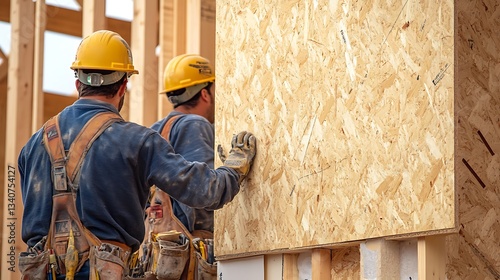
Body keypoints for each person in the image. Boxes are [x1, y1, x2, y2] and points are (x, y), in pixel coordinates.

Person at [17, 30, 256, 280]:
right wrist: (235, 164)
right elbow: (207, 191)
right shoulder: (137, 142)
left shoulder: (32, 146)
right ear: (123, 86)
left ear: (78, 84)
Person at [151, 54, 217, 234]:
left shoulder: (156, 129)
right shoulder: (196, 124)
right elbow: (206, 189)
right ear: (205, 94)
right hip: (197, 244)